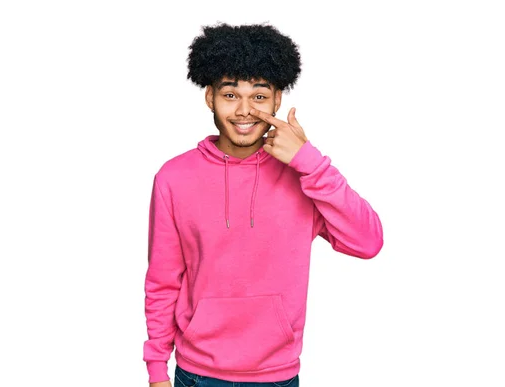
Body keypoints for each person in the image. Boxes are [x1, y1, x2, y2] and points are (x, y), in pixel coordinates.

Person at [143, 23, 384, 387]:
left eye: (258, 96)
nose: (244, 111)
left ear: (277, 100)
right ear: (209, 97)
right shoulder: (173, 178)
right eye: (230, 95)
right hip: (197, 374)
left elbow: (367, 243)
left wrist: (310, 162)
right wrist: (156, 368)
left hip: (278, 376)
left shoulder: (305, 174)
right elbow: (162, 280)